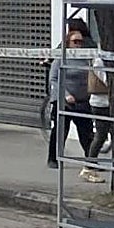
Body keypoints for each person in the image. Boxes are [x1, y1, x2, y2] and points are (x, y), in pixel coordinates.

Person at [47, 27, 93, 169]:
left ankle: (90, 160)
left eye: (80, 42)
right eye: (75, 42)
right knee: (60, 131)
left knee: (86, 132)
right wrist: (66, 95)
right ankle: (53, 158)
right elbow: (53, 79)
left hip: (82, 101)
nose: (78, 45)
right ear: (68, 43)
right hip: (64, 101)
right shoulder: (61, 57)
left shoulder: (85, 58)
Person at [82, 51, 111, 183]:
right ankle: (88, 167)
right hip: (100, 103)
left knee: (112, 134)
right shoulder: (98, 61)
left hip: (109, 102)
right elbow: (107, 80)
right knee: (100, 135)